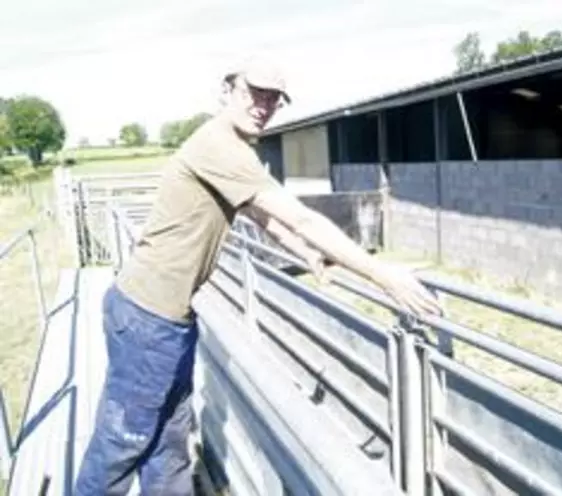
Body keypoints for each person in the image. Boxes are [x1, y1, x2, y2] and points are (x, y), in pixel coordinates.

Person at [74, 56, 442, 495]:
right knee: (124, 441)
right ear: (227, 90)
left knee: (169, 442)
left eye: (273, 99)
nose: (263, 105)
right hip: (146, 316)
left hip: (167, 316)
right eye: (254, 93)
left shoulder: (233, 151)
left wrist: (307, 254)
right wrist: (383, 276)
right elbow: (302, 217)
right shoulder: (219, 145)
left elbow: (259, 214)